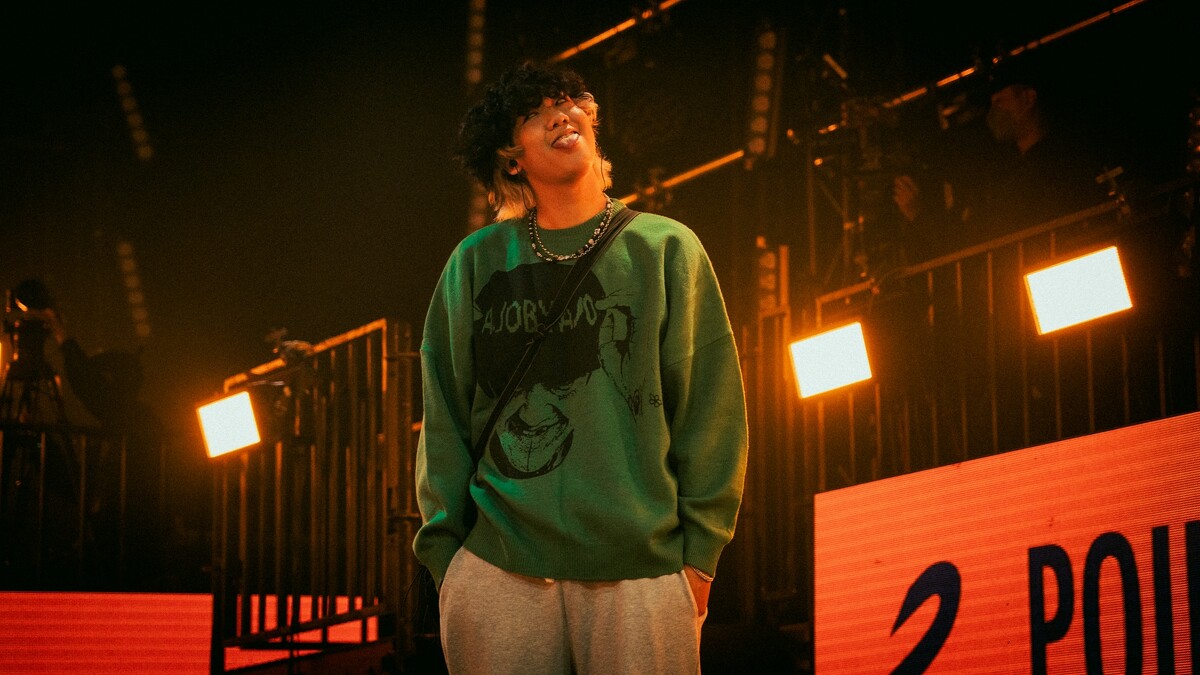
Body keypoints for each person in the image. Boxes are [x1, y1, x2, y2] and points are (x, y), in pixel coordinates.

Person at [413, 62, 748, 674]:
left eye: (569, 102)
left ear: (590, 121)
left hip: (641, 571)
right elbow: (444, 414)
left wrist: (700, 560)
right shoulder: (475, 262)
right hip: (496, 570)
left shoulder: (666, 248)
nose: (559, 115)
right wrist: (448, 561)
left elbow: (711, 408)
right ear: (512, 159)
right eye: (534, 114)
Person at [892, 62, 1110, 254]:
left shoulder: (1059, 165)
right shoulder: (1012, 172)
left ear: (1028, 98)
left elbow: (980, 238)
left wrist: (918, 214)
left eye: (1000, 101)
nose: (993, 112)